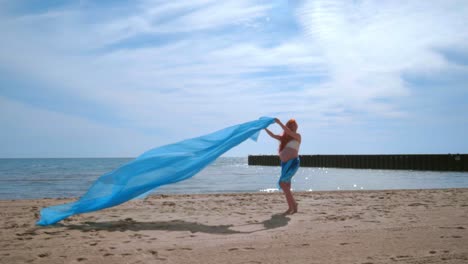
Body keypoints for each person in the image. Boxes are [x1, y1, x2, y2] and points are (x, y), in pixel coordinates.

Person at [265, 118, 301, 215]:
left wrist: (279, 122)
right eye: (292, 125)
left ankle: (291, 207)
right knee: (286, 186)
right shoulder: (284, 139)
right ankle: (294, 206)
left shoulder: (298, 136)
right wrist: (264, 128)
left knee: (282, 183)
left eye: (295, 125)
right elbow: (272, 135)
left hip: (293, 163)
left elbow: (287, 131)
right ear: (289, 126)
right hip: (285, 165)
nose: (294, 126)